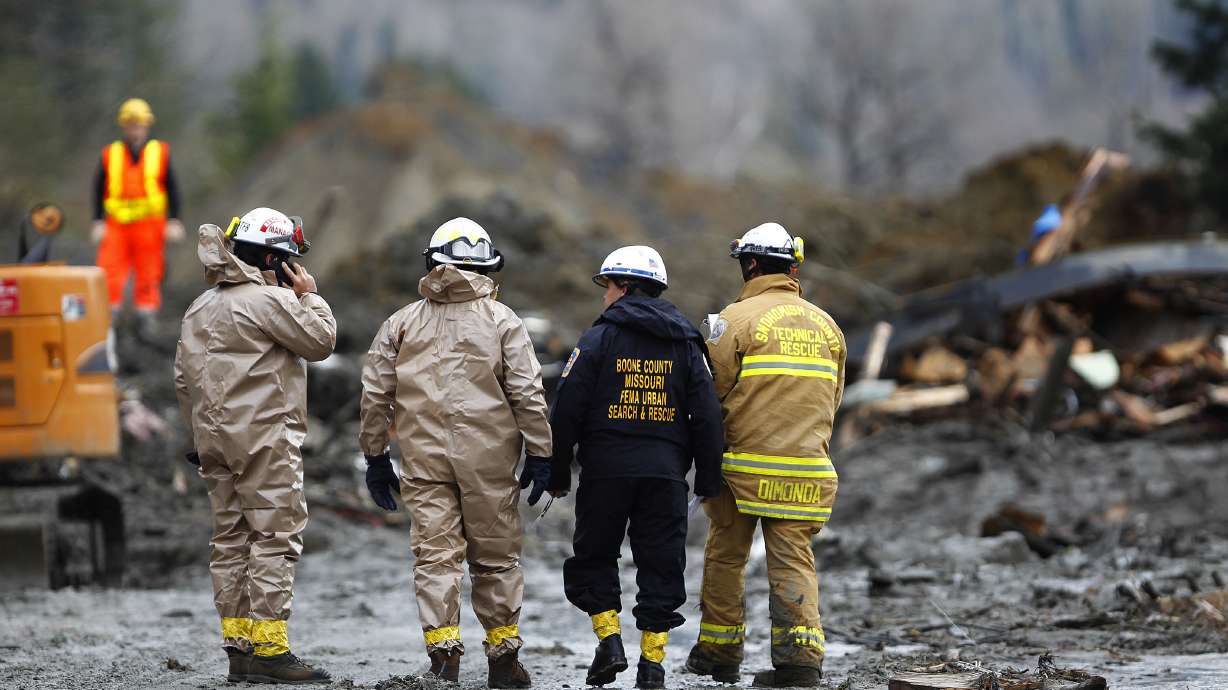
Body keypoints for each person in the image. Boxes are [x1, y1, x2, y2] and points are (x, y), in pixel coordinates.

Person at [359, 217, 553, 688]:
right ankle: (503, 661)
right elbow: (527, 393)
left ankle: (444, 659)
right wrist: (542, 453)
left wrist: (376, 456)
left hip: (423, 463)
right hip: (489, 462)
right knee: (497, 559)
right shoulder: (503, 321)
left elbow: (374, 395)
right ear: (487, 266)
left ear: (432, 262)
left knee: (436, 558)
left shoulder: (401, 323)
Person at [547, 246, 724, 689]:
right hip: (664, 476)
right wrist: (707, 476)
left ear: (623, 286)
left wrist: (556, 470)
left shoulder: (597, 339)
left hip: (605, 472)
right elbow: (707, 414)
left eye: (606, 286)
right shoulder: (686, 343)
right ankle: (653, 664)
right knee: (662, 565)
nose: (604, 296)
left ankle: (609, 641)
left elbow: (566, 407)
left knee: (595, 556)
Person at [175, 208, 336, 684]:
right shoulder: (268, 301)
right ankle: (270, 650)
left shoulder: (200, 307)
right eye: (289, 260)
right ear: (274, 259)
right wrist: (310, 296)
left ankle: (239, 650)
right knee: (274, 536)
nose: (292, 269)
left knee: (229, 540)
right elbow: (321, 341)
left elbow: (184, 379)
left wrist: (198, 434)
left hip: (213, 441)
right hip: (264, 439)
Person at [684, 223, 845, 688]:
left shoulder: (732, 321)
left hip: (742, 469)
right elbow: (831, 399)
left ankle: (718, 654)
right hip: (807, 469)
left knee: (727, 556)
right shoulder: (827, 325)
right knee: (794, 558)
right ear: (792, 267)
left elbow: (708, 396)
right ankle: (799, 663)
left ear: (750, 264)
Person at [92, 98, 186, 323]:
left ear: (147, 125)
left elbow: (172, 187)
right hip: (117, 226)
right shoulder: (110, 153)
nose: (135, 128)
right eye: (131, 123)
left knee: (149, 276)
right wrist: (97, 220)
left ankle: (147, 325)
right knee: (109, 274)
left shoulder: (159, 152)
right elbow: (97, 187)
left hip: (149, 226)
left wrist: (174, 219)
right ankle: (107, 325)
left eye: (139, 123)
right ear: (123, 125)